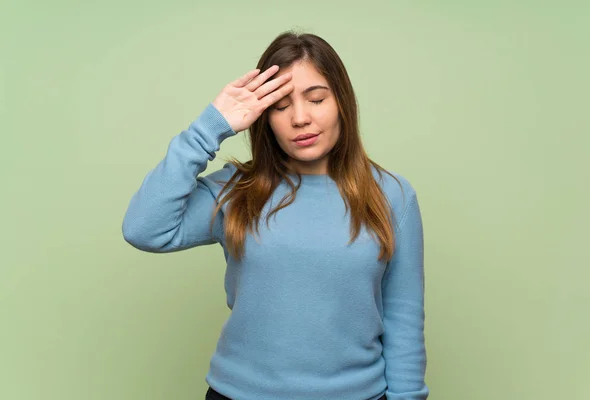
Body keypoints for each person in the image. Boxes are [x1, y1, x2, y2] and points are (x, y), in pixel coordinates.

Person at [122, 30, 428, 400]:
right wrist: (209, 128)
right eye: (280, 107)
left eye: (316, 99)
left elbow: (403, 317)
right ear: (263, 118)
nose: (300, 118)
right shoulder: (237, 189)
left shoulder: (392, 195)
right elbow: (144, 228)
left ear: (342, 102)